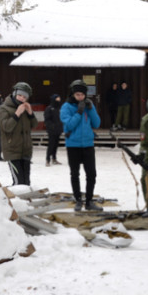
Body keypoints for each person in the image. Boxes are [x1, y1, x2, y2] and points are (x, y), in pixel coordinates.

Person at [60, 79, 102, 211]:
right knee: (75, 174)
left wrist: (91, 110)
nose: (80, 97)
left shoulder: (89, 105)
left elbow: (96, 124)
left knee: (91, 174)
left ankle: (89, 201)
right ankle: (78, 199)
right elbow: (69, 125)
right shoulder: (66, 107)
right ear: (72, 94)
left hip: (88, 144)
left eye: (82, 95)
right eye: (77, 94)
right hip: (73, 145)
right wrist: (78, 113)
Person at [0, 82, 37, 186]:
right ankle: (17, 201)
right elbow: (6, 127)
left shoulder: (25, 108)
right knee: (18, 182)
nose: (21, 98)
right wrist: (17, 114)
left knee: (26, 182)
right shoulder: (4, 108)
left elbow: (35, 124)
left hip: (26, 149)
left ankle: (25, 201)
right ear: (14, 94)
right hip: (12, 149)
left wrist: (30, 113)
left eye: (24, 97)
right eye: (19, 95)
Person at [44, 93, 64, 166]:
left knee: (56, 144)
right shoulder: (49, 108)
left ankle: (54, 158)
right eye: (57, 99)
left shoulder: (60, 108)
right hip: (52, 130)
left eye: (59, 99)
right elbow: (47, 119)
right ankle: (48, 159)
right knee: (51, 145)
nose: (58, 100)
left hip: (58, 129)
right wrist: (51, 126)